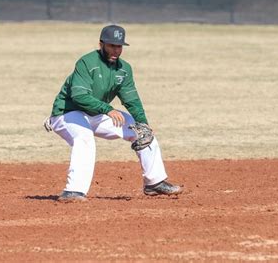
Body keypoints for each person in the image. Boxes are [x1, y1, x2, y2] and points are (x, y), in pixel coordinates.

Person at [44, 25, 183, 202]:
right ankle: (73, 191)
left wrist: (143, 121)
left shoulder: (124, 69)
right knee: (84, 137)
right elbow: (79, 97)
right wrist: (108, 109)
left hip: (95, 115)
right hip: (67, 113)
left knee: (142, 132)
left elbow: (131, 99)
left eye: (119, 46)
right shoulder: (87, 62)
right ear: (101, 44)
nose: (116, 50)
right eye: (111, 45)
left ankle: (154, 183)